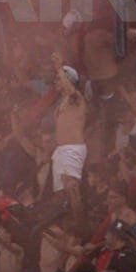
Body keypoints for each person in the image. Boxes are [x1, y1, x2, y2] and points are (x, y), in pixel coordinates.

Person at [51, 53, 88, 211]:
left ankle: (82, 230)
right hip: (60, 150)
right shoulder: (62, 103)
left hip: (72, 148)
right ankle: (69, 229)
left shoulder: (76, 98)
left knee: (72, 189)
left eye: (59, 78)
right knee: (60, 195)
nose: (56, 81)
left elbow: (70, 91)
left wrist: (59, 68)